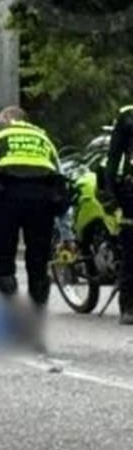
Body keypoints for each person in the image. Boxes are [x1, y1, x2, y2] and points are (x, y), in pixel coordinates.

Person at [0, 106, 71, 318]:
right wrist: (67, 233)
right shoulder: (41, 136)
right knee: (38, 265)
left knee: (3, 263)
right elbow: (60, 182)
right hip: (42, 201)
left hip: (5, 199)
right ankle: (34, 327)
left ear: (4, 118)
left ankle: (12, 318)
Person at [102, 105, 133, 324]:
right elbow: (114, 156)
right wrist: (110, 192)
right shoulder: (128, 115)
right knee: (131, 247)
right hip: (131, 190)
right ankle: (128, 305)